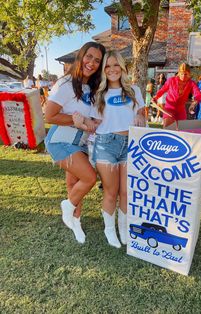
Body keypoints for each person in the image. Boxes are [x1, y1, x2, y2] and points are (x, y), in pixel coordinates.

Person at [44, 42, 106, 244]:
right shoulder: (66, 83)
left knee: (73, 183)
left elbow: (89, 117)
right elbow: (49, 115)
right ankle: (67, 206)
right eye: (89, 57)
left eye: (97, 60)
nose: (92, 63)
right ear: (81, 57)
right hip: (60, 141)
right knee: (88, 178)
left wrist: (93, 122)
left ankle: (75, 222)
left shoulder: (92, 87)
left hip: (80, 143)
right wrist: (77, 121)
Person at [90, 50, 146, 248]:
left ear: (122, 68)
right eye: (108, 66)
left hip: (130, 144)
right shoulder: (99, 93)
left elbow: (141, 112)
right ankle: (109, 230)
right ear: (104, 70)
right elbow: (94, 121)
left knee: (126, 192)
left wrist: (140, 116)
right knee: (111, 192)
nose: (112, 69)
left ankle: (123, 228)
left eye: (116, 65)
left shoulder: (134, 90)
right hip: (106, 144)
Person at [152, 63, 201, 127]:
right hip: (169, 109)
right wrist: (155, 97)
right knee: (167, 130)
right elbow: (162, 90)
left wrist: (193, 103)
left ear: (189, 74)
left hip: (181, 110)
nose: (183, 76)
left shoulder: (191, 83)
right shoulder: (171, 80)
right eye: (181, 74)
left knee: (182, 132)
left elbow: (198, 94)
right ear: (179, 73)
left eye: (186, 74)